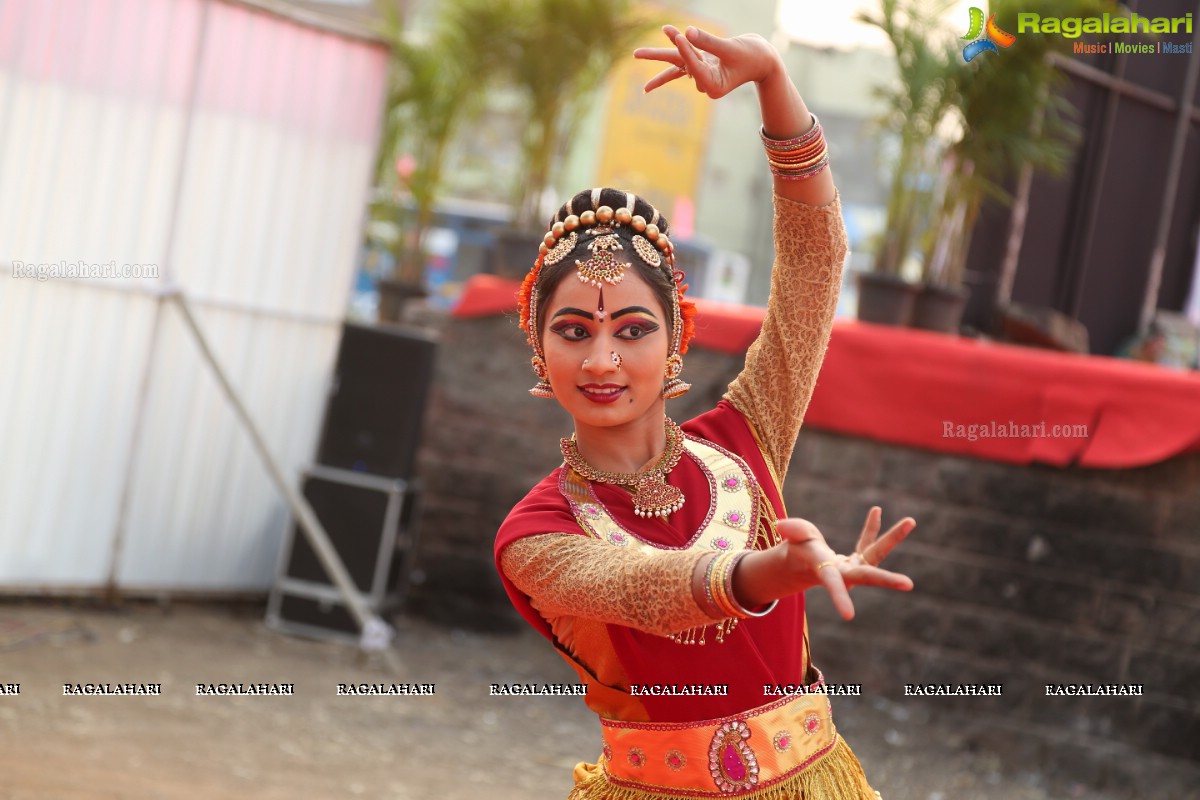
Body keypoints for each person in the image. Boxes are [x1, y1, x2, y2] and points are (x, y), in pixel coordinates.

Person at [495, 24, 917, 799]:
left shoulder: (746, 434)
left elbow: (815, 265)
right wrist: (768, 573)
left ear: (677, 340)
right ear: (537, 349)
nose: (601, 361)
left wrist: (775, 86)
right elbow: (643, 589)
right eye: (573, 332)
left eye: (632, 330)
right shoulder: (536, 534)